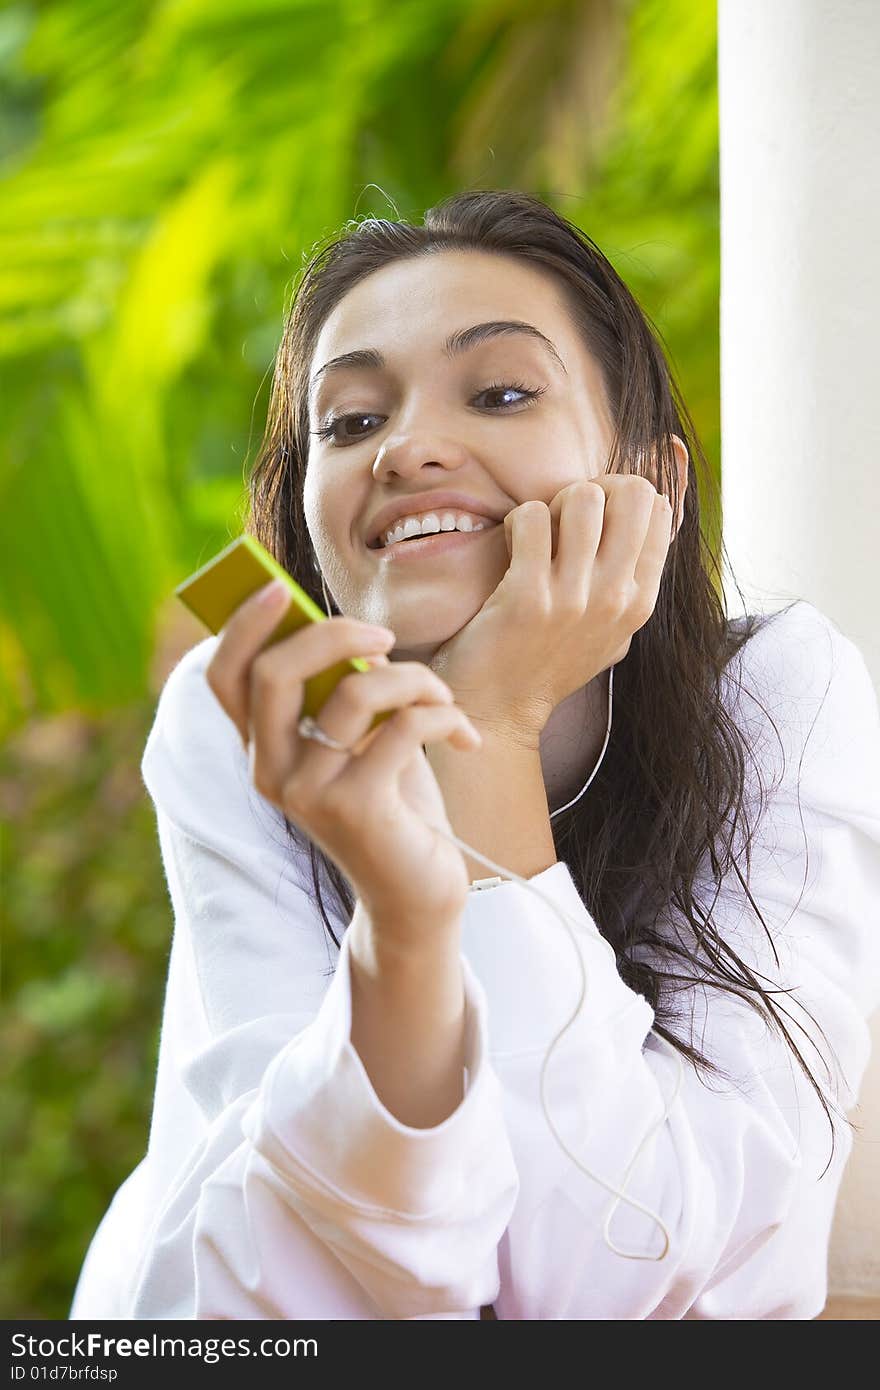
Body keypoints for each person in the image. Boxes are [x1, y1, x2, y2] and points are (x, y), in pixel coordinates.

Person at [70, 189, 880, 1320]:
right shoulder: (244, 712)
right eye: (349, 423)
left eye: (500, 393)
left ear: (651, 483)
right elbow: (296, 1293)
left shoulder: (776, 694)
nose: (405, 450)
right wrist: (405, 926)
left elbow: (617, 1279)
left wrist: (491, 727)